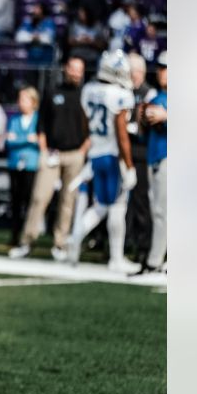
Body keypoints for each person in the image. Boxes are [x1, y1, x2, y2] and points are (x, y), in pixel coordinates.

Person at [66, 50, 139, 273]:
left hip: (96, 153)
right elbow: (121, 133)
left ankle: (75, 236)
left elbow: (86, 123)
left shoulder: (89, 90)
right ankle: (116, 258)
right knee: (117, 206)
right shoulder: (119, 95)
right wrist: (129, 165)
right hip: (112, 155)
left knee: (100, 205)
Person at [10, 57, 90, 260]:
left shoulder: (86, 95)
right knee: (39, 197)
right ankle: (27, 241)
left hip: (74, 154)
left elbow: (91, 128)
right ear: (66, 69)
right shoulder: (52, 91)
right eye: (72, 69)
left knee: (67, 201)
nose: (75, 73)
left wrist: (82, 151)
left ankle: (59, 244)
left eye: (79, 70)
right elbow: (42, 125)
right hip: (52, 153)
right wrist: (45, 150)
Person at [139, 51, 167, 273]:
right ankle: (156, 257)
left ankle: (155, 260)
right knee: (156, 210)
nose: (162, 73)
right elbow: (143, 133)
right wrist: (142, 118)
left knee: (162, 211)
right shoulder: (156, 97)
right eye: (160, 68)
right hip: (154, 156)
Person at [124, 52, 154, 262]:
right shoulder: (125, 91)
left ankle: (143, 245)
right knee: (123, 202)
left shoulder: (149, 94)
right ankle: (124, 243)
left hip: (142, 152)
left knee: (141, 201)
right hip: (126, 151)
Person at [4, 87, 41, 250]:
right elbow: (9, 141)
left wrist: (20, 139)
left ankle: (28, 235)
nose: (21, 103)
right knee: (16, 202)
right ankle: (15, 234)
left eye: (25, 99)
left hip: (32, 166)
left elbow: (38, 141)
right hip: (15, 164)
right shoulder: (14, 119)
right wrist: (28, 139)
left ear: (33, 102)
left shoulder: (38, 120)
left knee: (29, 201)